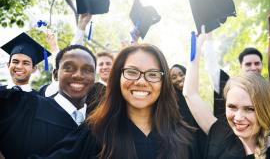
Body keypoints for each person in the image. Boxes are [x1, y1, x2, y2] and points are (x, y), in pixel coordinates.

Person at [30, 44, 193, 159]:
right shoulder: (95, 132)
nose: (141, 81)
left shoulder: (184, 136)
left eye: (152, 74)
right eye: (131, 72)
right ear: (117, 78)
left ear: (163, 82)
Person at [183, 29, 270, 158]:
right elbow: (190, 93)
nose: (238, 117)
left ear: (266, 109)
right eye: (232, 107)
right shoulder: (220, 135)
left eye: (250, 109)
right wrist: (198, 44)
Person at [0, 45, 96, 158]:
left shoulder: (98, 125)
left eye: (88, 70)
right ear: (55, 75)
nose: (78, 75)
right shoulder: (26, 107)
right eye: (69, 68)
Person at [208, 8, 270, 117]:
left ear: (262, 65)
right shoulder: (229, 87)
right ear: (241, 66)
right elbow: (212, 69)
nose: (253, 67)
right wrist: (207, 37)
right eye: (248, 64)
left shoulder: (268, 92)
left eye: (257, 63)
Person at [169, 64, 206, 159]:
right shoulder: (171, 104)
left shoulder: (195, 96)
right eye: (174, 77)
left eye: (181, 74)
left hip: (203, 141)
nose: (179, 78)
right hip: (186, 146)